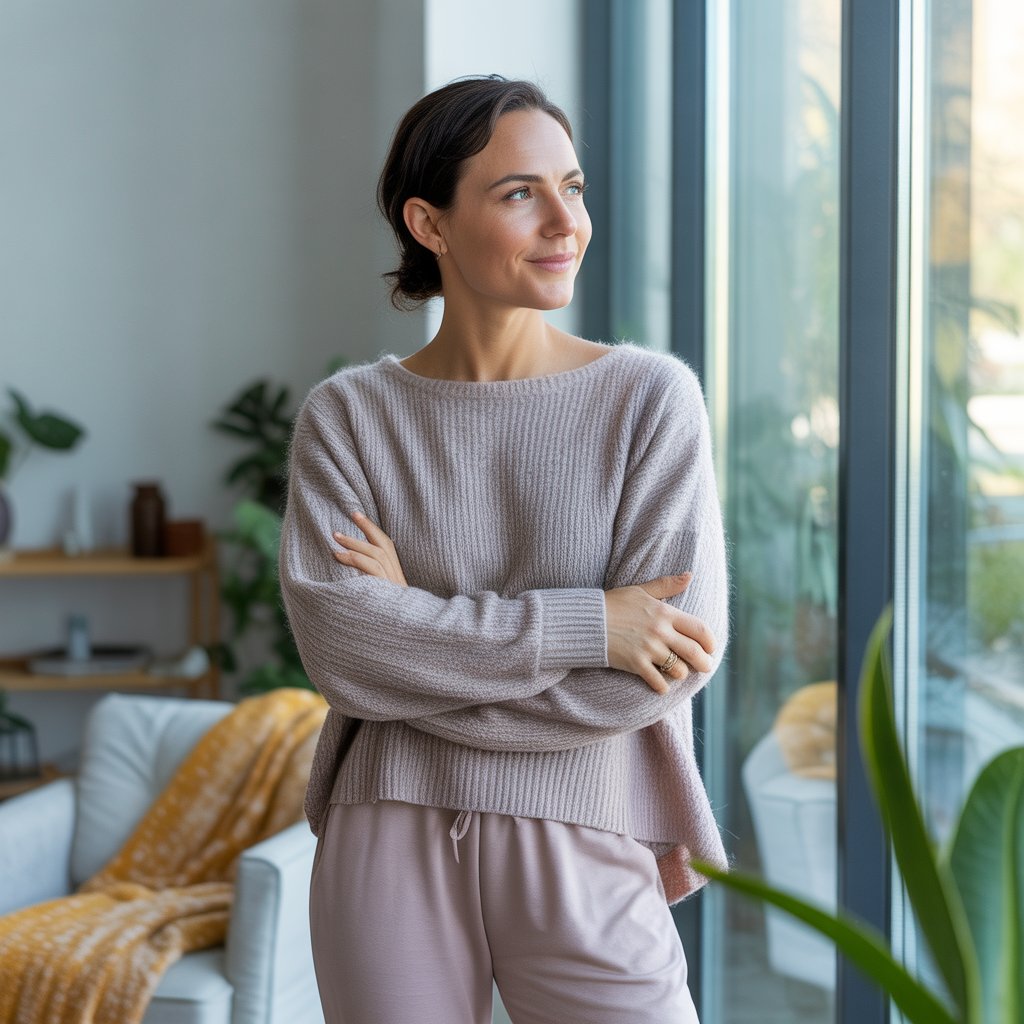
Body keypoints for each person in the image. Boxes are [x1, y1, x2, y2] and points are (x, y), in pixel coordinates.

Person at [279, 74, 729, 1024]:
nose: (565, 221)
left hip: (590, 823)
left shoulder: (649, 402)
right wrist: (587, 622)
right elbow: (345, 650)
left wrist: (420, 635)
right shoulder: (352, 418)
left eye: (574, 187)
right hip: (387, 824)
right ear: (429, 224)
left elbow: (662, 665)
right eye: (521, 192)